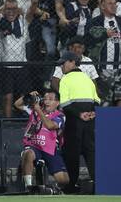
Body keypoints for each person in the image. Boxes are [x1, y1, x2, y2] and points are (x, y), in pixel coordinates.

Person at [57, 51, 100, 194]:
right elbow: (97, 100)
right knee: (91, 152)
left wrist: (79, 114)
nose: (61, 66)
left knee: (71, 153)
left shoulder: (65, 79)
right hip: (90, 120)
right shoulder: (87, 79)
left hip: (74, 121)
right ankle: (97, 184)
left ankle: (73, 185)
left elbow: (65, 104)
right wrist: (92, 113)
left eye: (63, 63)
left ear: (71, 62)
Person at [14, 89, 69, 193]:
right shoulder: (34, 110)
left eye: (50, 99)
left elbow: (50, 125)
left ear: (57, 103)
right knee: (28, 153)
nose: (47, 101)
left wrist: (38, 110)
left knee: (64, 180)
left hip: (51, 148)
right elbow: (17, 104)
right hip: (34, 145)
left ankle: (53, 188)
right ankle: (28, 187)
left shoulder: (60, 115)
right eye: (45, 98)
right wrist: (28, 95)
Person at [0, 0, 37, 117]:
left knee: (25, 96)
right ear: (4, 10)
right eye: (8, 9)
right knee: (8, 96)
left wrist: (34, 3)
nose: (11, 11)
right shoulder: (0, 21)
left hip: (22, 64)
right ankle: (7, 123)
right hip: (6, 65)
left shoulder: (23, 21)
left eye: (14, 9)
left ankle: (26, 120)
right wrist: (2, 9)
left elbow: (31, 12)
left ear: (18, 10)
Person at [87, 0, 121, 106]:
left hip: (120, 67)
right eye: (110, 3)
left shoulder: (120, 21)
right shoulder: (95, 22)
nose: (114, 6)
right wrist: (104, 35)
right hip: (103, 67)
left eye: (115, 3)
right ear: (102, 6)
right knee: (105, 101)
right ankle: (107, 123)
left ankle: (117, 123)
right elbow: (87, 41)